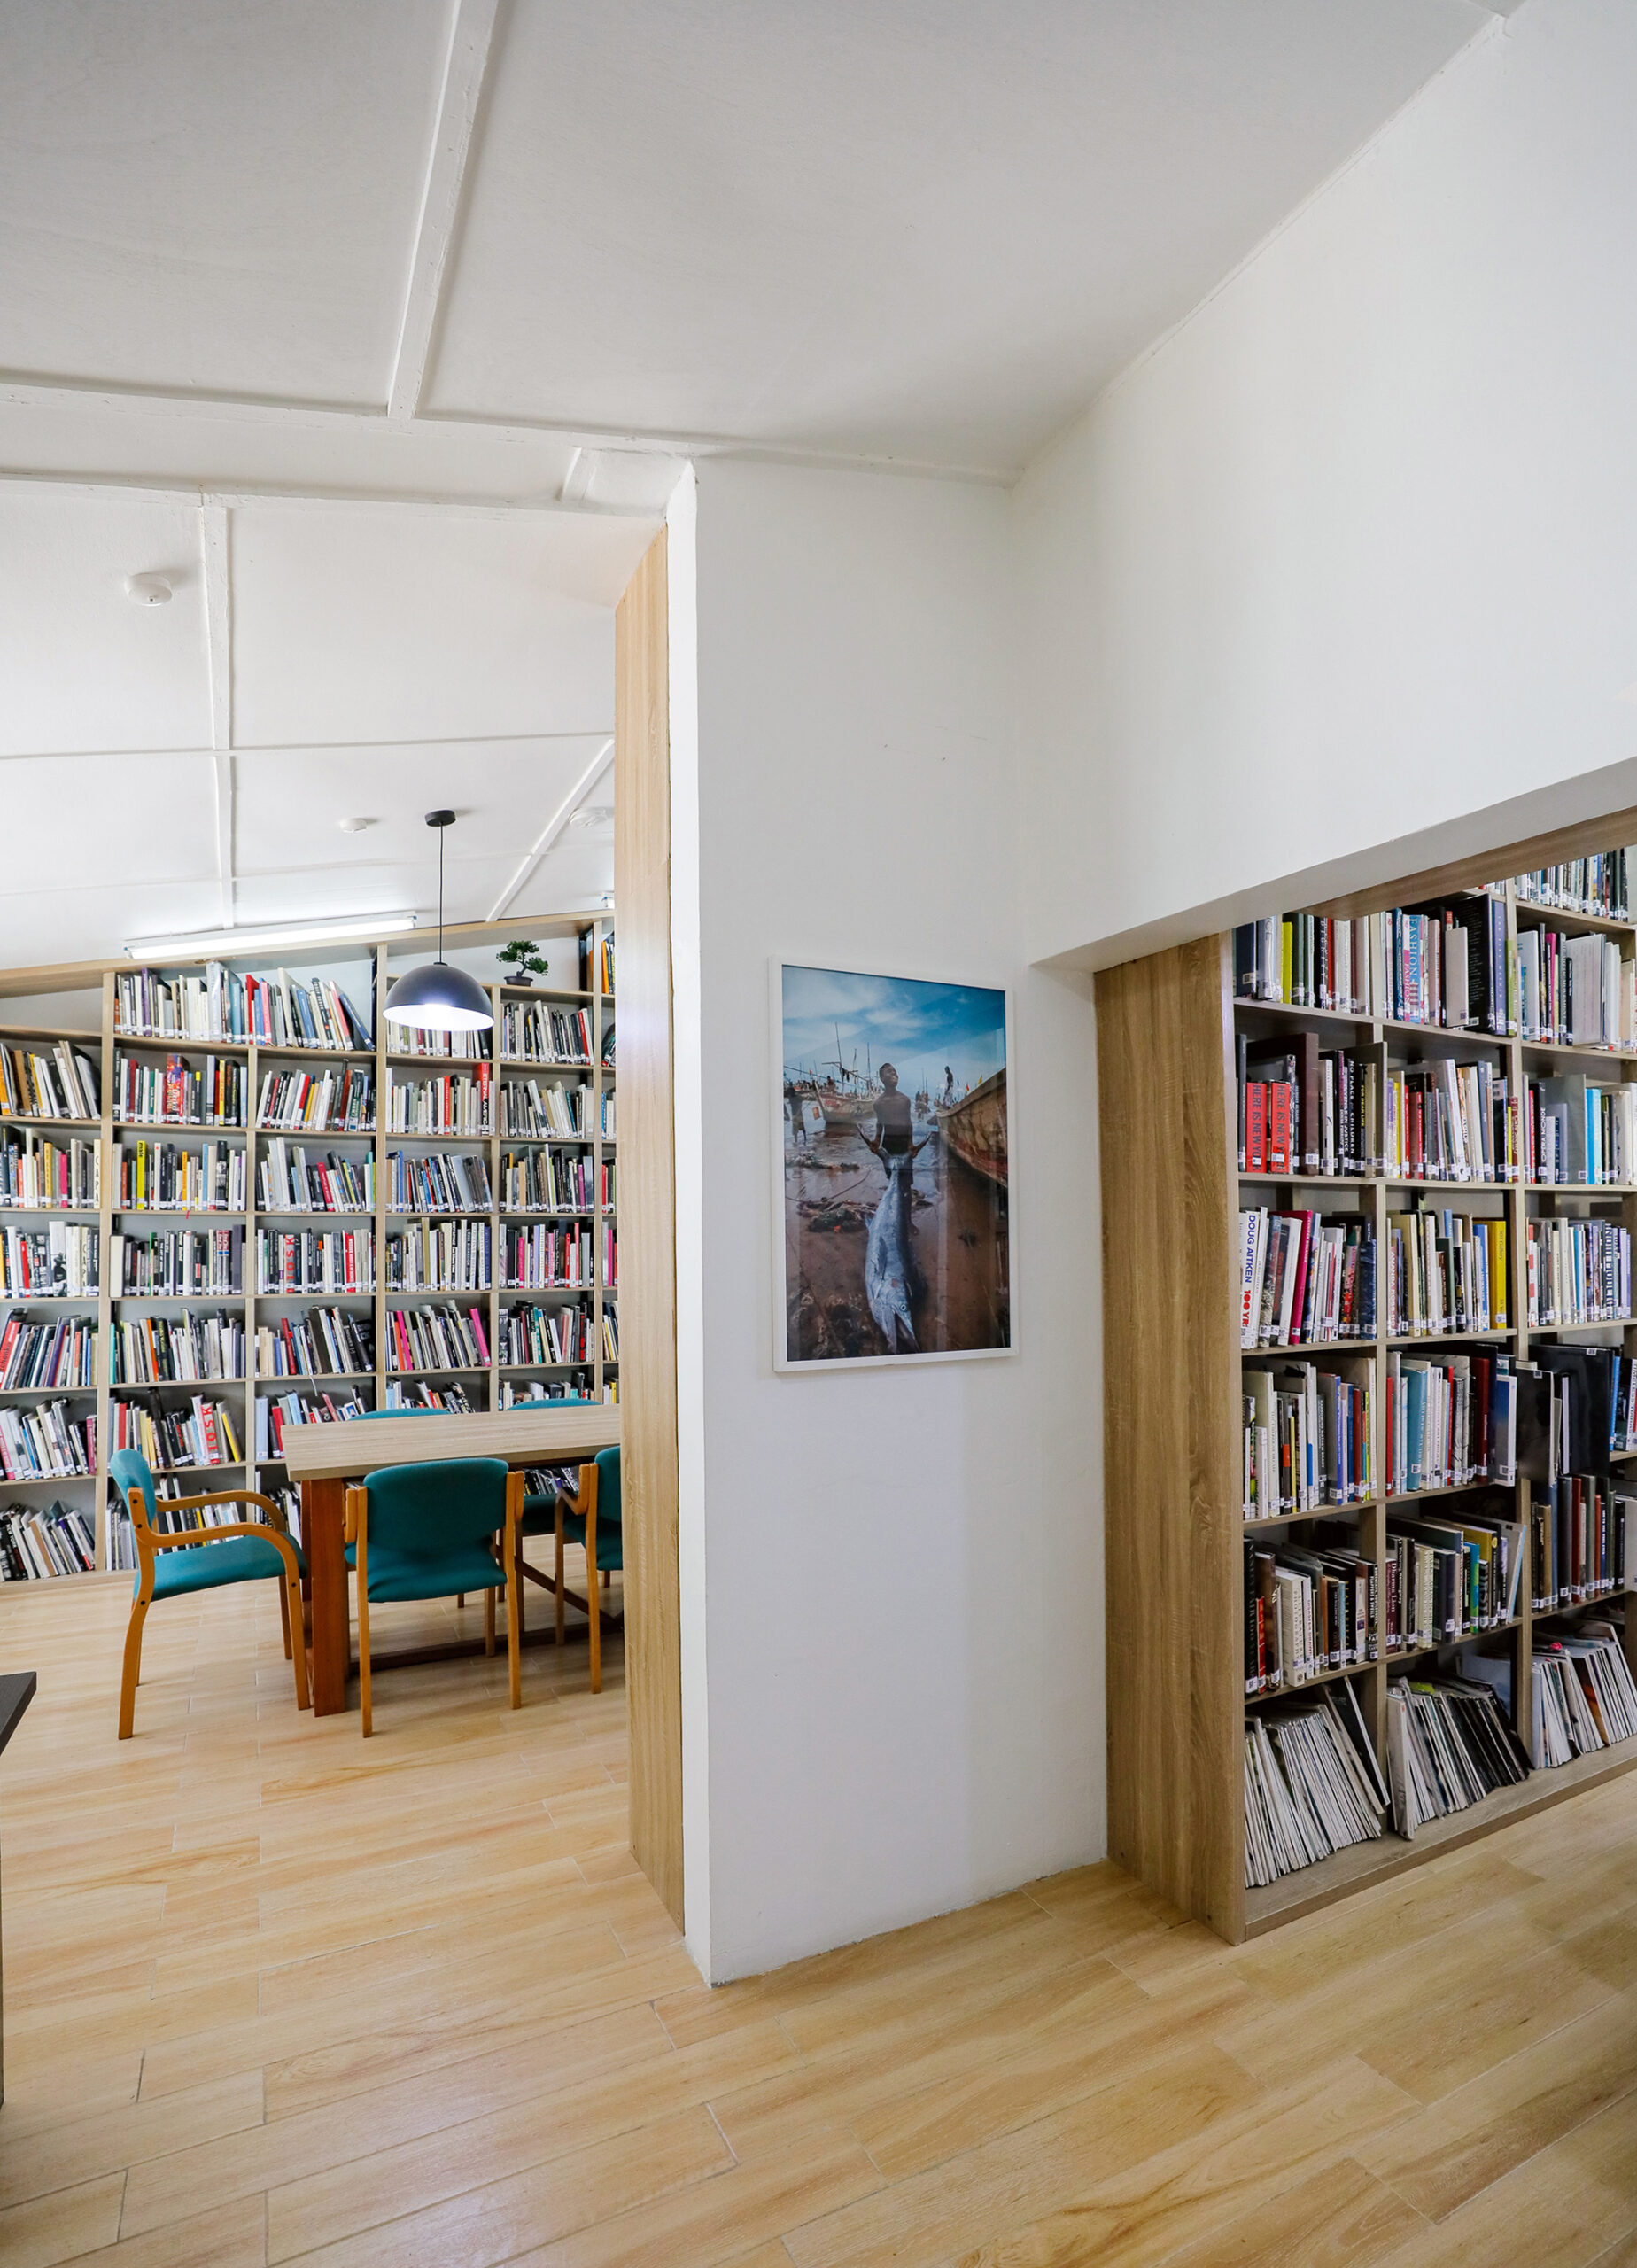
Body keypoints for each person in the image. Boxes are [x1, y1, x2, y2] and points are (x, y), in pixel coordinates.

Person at [864, 1064, 934, 1163]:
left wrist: (910, 1144)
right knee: (889, 1175)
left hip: (904, 1145)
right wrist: (877, 1140)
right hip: (887, 1146)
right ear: (882, 1078)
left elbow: (908, 1123)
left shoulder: (905, 1100)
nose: (894, 1074)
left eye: (895, 1072)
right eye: (889, 1071)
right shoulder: (878, 1103)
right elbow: (880, 1123)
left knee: (905, 1176)